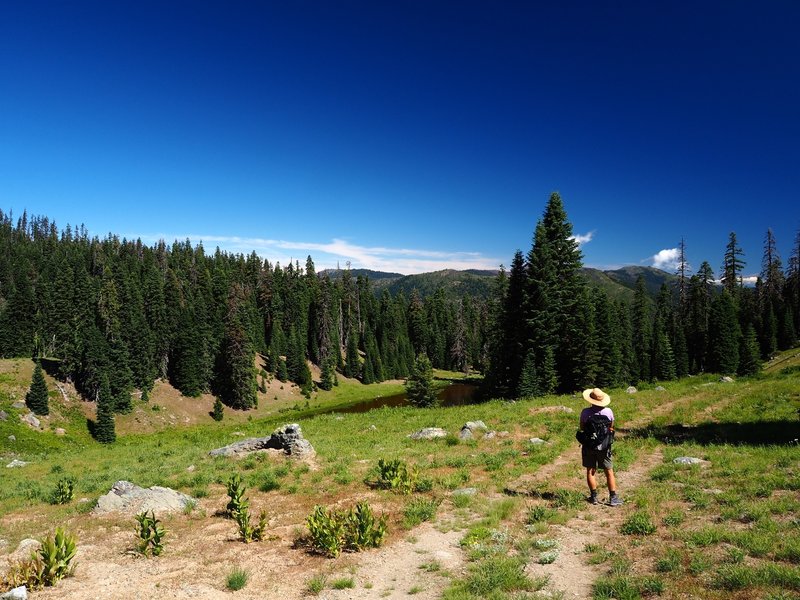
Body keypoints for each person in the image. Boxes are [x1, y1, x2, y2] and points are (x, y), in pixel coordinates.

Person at [580, 387, 623, 506]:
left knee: (590, 470)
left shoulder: (585, 412)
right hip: (604, 446)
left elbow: (582, 428)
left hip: (589, 445)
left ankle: (593, 497)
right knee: (609, 471)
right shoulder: (608, 412)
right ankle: (613, 498)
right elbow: (611, 427)